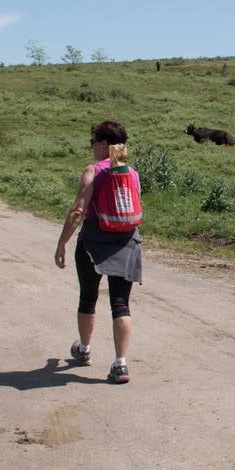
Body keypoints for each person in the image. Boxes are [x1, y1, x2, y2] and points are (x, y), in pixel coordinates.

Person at [53, 120, 141, 384]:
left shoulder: (92, 171)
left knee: (88, 298)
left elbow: (78, 210)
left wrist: (61, 243)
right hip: (127, 241)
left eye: (93, 142)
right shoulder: (131, 172)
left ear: (103, 144)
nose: (91, 147)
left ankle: (84, 349)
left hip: (93, 242)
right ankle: (121, 364)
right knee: (120, 304)